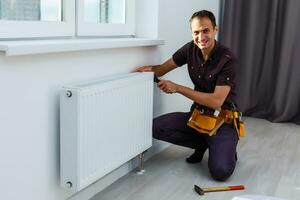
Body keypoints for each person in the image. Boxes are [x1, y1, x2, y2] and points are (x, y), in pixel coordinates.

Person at [135, 10, 238, 181]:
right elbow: (162, 68)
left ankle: (226, 147)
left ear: (215, 30)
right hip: (197, 116)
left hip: (223, 120)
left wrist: (177, 88)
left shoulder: (227, 58)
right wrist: (145, 70)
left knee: (220, 172)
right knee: (156, 127)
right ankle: (205, 143)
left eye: (206, 31)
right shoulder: (190, 48)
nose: (201, 37)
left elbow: (216, 101)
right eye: (196, 32)